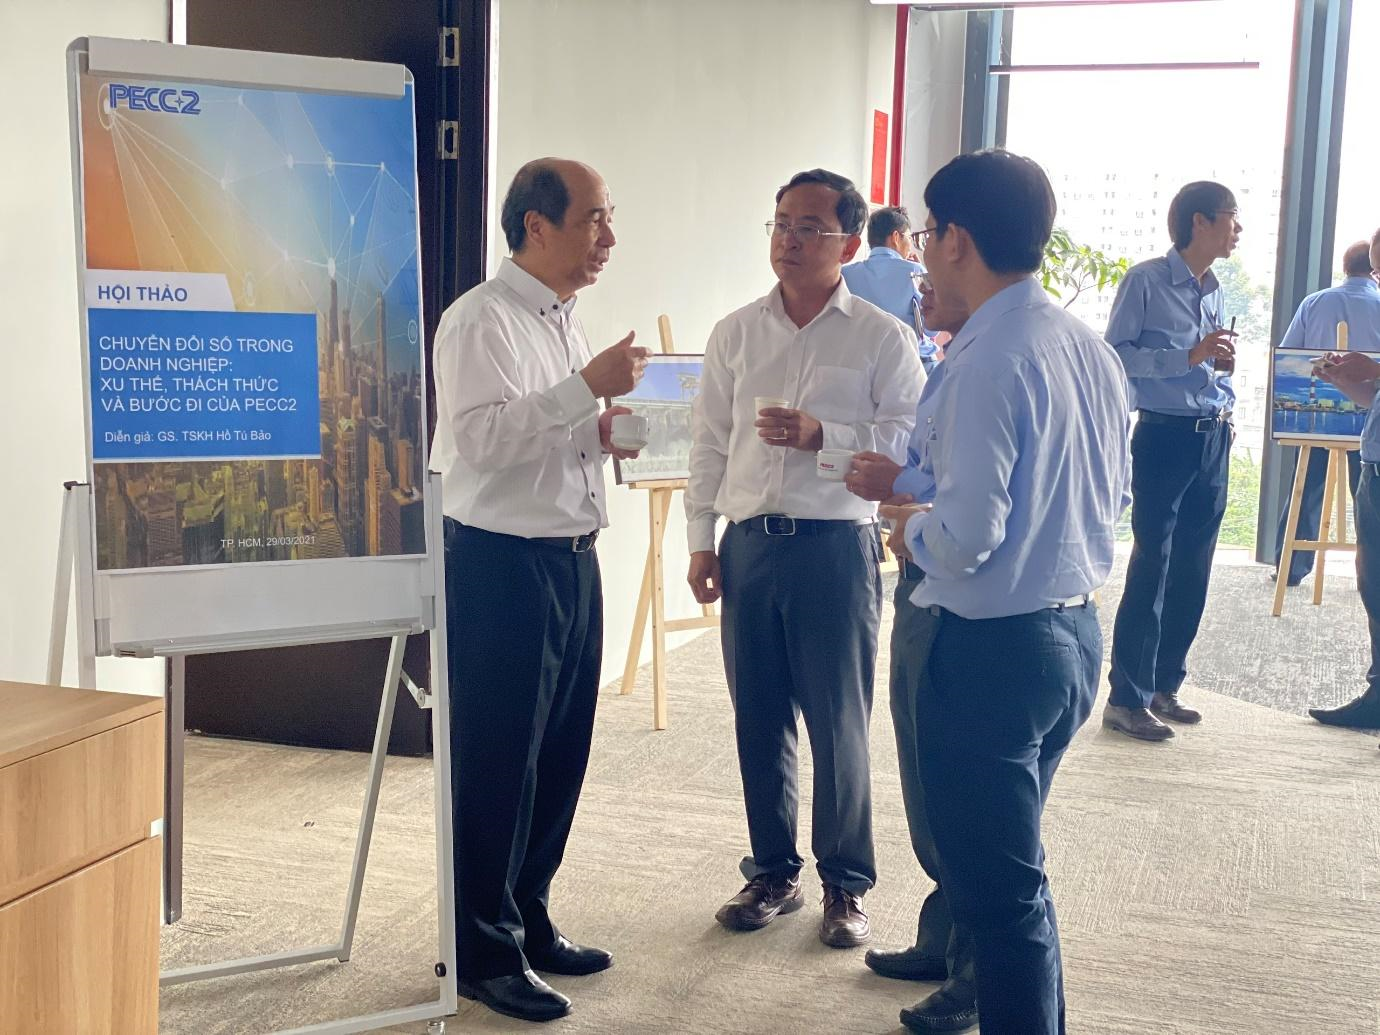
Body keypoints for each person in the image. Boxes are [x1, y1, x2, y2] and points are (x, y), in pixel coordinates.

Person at [884, 148, 1130, 1035]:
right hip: (1072, 637)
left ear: (955, 239)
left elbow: (965, 538)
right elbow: (1108, 498)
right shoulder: (1084, 345)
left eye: (925, 233)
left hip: (990, 654)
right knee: (1014, 878)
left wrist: (907, 528)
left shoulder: (987, 359)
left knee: (999, 898)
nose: (920, 251)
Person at [431, 158, 649, 1023]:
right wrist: (584, 389)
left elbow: (544, 437)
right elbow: (481, 444)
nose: (609, 237)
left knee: (559, 755)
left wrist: (598, 432)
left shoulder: (562, 317)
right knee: (497, 762)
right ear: (536, 225)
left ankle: (526, 916)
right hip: (500, 564)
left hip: (571, 557)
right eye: (594, 218)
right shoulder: (478, 320)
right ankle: (482, 952)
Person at [686, 168, 923, 949]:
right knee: (758, 717)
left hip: (835, 547)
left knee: (838, 722)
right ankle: (772, 872)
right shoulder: (735, 332)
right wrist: (700, 540)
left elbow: (908, 443)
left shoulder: (881, 337)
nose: (789, 239)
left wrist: (828, 438)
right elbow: (709, 444)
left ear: (849, 244)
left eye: (810, 227)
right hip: (749, 545)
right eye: (782, 223)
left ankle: (845, 883)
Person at [843, 271, 979, 1032]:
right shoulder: (957, 360)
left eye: (935, 248)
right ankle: (945, 936)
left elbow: (973, 523)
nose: (919, 278)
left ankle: (973, 973)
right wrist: (907, 488)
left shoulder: (991, 368)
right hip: (932, 592)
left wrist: (911, 517)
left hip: (963, 603)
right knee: (928, 781)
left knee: (963, 799)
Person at [1102, 181, 1242, 742]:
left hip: (1214, 435)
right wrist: (1189, 355)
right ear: (1199, 221)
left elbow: (1208, 363)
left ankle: (1164, 686)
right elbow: (1116, 356)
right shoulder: (1146, 280)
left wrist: (1218, 364)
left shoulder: (1217, 289)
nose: (1239, 229)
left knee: (1193, 568)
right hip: (1163, 437)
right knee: (1152, 565)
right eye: (1232, 217)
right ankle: (1126, 699)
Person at [1271, 240, 1378, 586]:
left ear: (1345, 267)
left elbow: (1289, 355)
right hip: (1370, 421)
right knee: (1367, 500)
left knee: (1306, 488)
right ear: (1372, 270)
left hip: (1316, 419)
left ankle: (1290, 567)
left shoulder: (1314, 302)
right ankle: (1370, 569)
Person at [1310, 228, 1380, 732]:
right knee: (1372, 583)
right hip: (1373, 460)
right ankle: (1378, 691)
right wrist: (1347, 381)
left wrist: (1373, 366)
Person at [843, 206, 940, 370]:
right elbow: (931, 329)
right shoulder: (914, 271)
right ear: (896, 237)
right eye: (909, 238)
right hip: (911, 362)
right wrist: (922, 273)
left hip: (861, 363)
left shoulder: (845, 274)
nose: (910, 245)